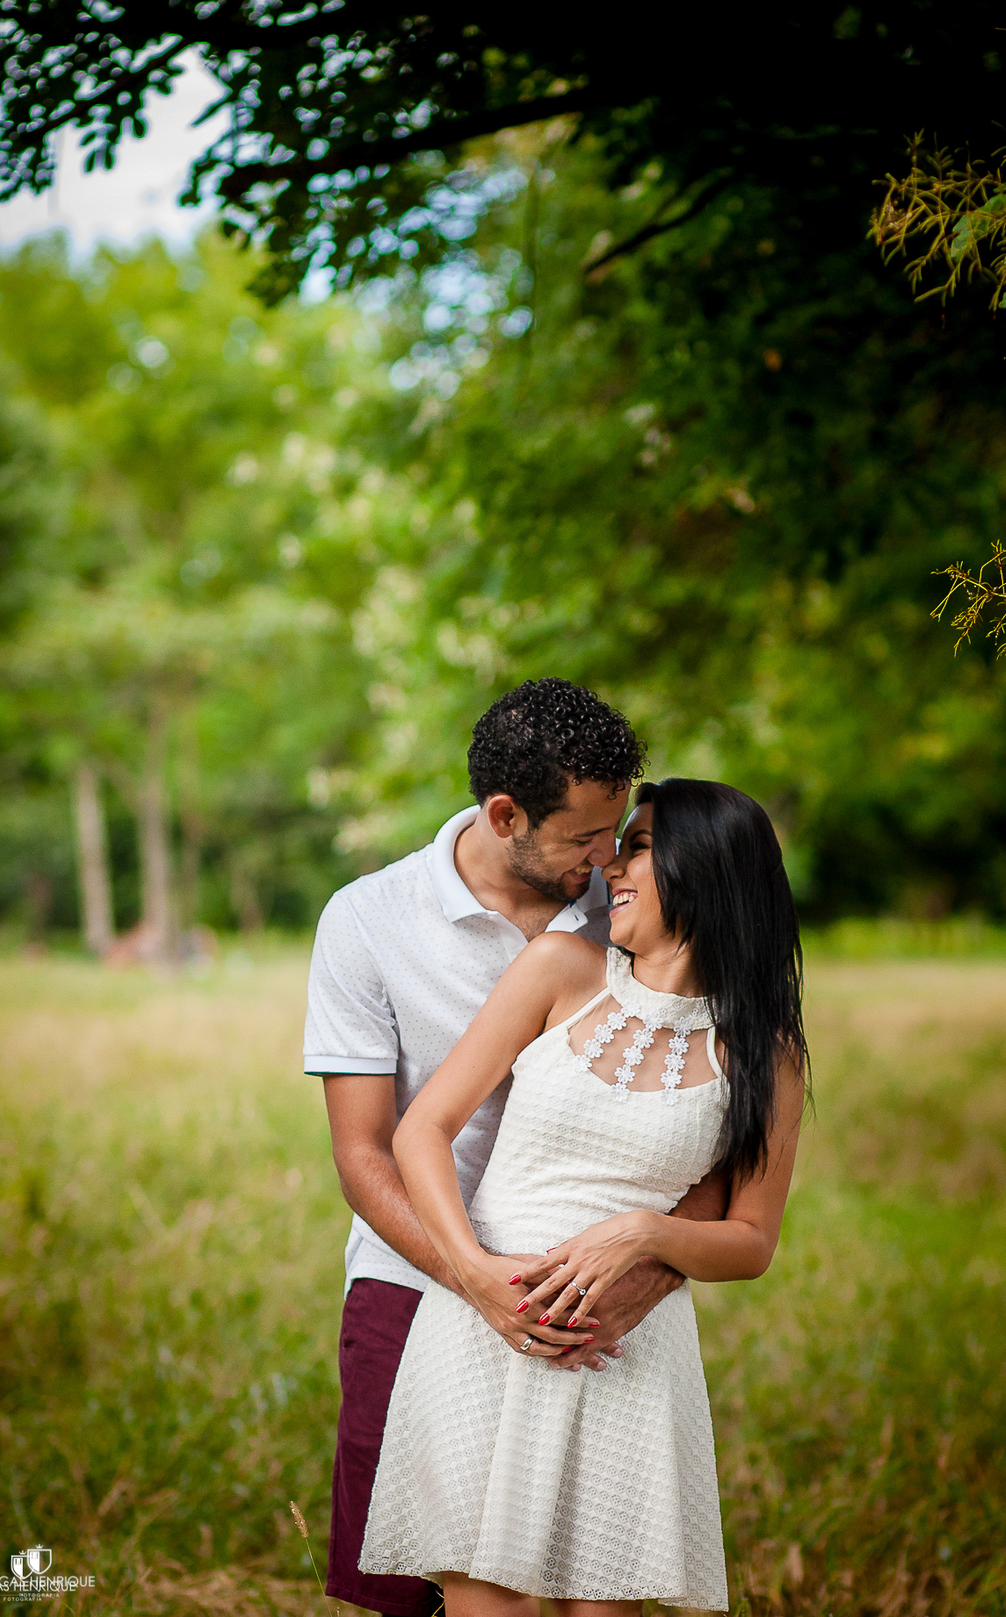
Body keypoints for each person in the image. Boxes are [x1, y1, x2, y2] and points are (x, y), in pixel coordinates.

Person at [303, 682, 729, 1616]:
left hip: (593, 1301)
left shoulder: (626, 914)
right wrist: (477, 1279)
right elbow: (366, 1152)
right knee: (415, 1589)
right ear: (506, 816)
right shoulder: (369, 921)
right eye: (583, 837)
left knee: (587, 1566)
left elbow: (715, 1134)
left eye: (617, 833)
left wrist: (640, 1274)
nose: (605, 858)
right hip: (415, 1277)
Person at [359, 777, 808, 1616]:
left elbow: (752, 1240)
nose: (614, 868)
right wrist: (476, 1275)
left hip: (625, 1350)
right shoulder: (563, 970)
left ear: (705, 868)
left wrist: (644, 1234)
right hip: (484, 1328)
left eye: (639, 847)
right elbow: (423, 1129)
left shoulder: (762, 1050)